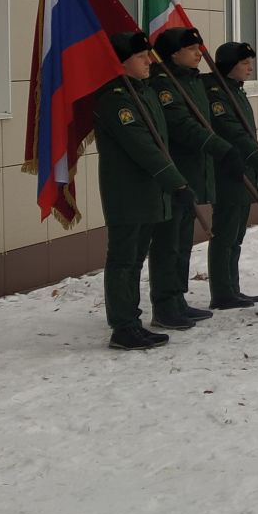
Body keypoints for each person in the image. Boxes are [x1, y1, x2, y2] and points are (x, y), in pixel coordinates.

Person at [94, 33, 193, 350]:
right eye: (142, 57)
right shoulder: (115, 98)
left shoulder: (143, 93)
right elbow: (143, 147)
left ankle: (132, 322)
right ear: (121, 62)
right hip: (127, 192)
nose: (150, 61)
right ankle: (122, 327)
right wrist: (176, 182)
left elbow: (160, 144)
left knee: (136, 259)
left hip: (149, 191)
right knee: (123, 260)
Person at [150, 27, 235, 330]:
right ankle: (164, 305)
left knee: (183, 240)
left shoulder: (192, 80)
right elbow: (181, 125)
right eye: (191, 48)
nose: (199, 52)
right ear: (174, 53)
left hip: (195, 173)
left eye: (198, 47)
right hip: (176, 173)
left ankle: (177, 299)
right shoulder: (164, 84)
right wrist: (218, 146)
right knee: (168, 242)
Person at [204, 41, 258, 309]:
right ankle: (222, 291)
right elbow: (233, 134)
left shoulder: (235, 92)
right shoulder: (218, 95)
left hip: (245, 169)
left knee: (236, 236)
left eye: (251, 62)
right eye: (244, 63)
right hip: (229, 172)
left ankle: (232, 288)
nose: (251, 68)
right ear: (229, 67)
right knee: (225, 234)